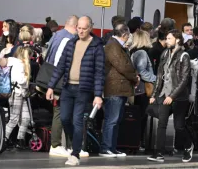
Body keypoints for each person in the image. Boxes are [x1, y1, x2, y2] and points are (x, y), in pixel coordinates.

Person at [46, 16, 105, 166]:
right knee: (65, 118)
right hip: (67, 87)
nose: (81, 31)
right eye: (79, 27)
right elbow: (60, 66)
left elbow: (99, 72)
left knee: (77, 121)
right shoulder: (71, 43)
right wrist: (51, 86)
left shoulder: (96, 46)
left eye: (84, 28)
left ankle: (75, 153)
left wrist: (98, 95)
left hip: (83, 89)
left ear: (91, 28)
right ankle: (75, 143)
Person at [147, 29, 194, 163]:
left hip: (179, 97)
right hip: (163, 95)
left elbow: (184, 79)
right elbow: (159, 76)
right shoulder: (164, 54)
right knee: (161, 124)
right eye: (166, 39)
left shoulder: (184, 56)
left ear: (177, 40)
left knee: (179, 126)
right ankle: (159, 153)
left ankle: (188, 145)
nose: (166, 41)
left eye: (169, 38)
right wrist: (155, 94)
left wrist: (172, 96)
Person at [100, 24, 139, 158]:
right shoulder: (113, 46)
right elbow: (123, 65)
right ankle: (106, 148)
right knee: (112, 119)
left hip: (119, 88)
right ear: (125, 35)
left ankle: (112, 147)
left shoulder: (116, 45)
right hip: (114, 88)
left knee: (116, 120)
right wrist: (134, 77)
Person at [45, 15, 80, 157]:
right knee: (60, 111)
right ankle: (56, 144)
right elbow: (60, 63)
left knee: (60, 111)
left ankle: (62, 144)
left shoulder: (57, 35)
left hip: (53, 80)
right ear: (76, 26)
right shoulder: (68, 39)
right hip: (60, 81)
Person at [130, 30, 156, 151]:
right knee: (142, 117)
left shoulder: (133, 51)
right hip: (142, 90)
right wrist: (155, 79)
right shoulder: (142, 53)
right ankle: (139, 141)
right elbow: (142, 71)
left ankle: (136, 141)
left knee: (137, 116)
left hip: (136, 90)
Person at [3, 47, 31, 150]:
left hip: (20, 94)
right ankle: (4, 139)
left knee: (25, 118)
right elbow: (21, 80)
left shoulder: (14, 62)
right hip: (17, 93)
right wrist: (27, 78)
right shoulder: (19, 64)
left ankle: (20, 139)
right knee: (14, 119)